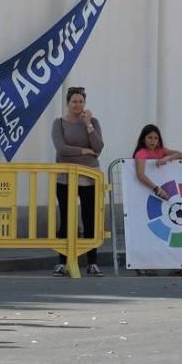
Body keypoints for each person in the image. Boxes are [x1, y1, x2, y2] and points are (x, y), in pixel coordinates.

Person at [51, 86, 105, 277]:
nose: (78, 104)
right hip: (65, 176)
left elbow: (98, 147)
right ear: (67, 103)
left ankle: (92, 262)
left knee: (90, 217)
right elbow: (61, 149)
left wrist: (89, 124)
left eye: (81, 101)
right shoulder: (59, 123)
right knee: (66, 217)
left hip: (90, 176)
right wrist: (84, 151)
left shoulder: (93, 122)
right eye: (74, 101)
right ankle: (61, 261)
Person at [132, 124, 182, 277]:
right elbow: (141, 175)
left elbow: (180, 154)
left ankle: (170, 262)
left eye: (156, 138)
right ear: (143, 139)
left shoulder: (160, 151)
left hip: (163, 198)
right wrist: (157, 189)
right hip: (148, 196)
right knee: (146, 230)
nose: (153, 141)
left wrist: (167, 157)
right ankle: (143, 263)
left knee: (164, 231)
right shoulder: (141, 153)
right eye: (150, 137)